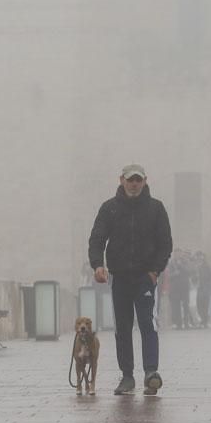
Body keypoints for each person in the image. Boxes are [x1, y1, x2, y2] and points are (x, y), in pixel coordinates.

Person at [88, 164, 173, 396]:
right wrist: (97, 265)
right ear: (121, 180)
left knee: (148, 324)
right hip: (120, 278)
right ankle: (127, 376)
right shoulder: (109, 209)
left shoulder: (156, 208)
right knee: (122, 327)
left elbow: (165, 243)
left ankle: (150, 372)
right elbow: (97, 238)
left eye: (138, 179)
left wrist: (155, 270)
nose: (134, 184)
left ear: (145, 181)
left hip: (146, 277)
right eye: (130, 180)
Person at [168, 251, 193, 330]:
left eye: (179, 254)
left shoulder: (185, 262)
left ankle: (186, 323)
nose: (177, 255)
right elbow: (168, 275)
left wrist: (180, 265)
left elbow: (189, 272)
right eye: (176, 254)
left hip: (184, 288)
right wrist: (174, 274)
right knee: (176, 306)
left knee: (186, 305)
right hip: (175, 288)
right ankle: (178, 323)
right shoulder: (171, 263)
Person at [195, 251, 211, 328]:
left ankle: (204, 321)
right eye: (198, 257)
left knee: (204, 305)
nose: (199, 258)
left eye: (201, 257)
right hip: (198, 288)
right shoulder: (196, 266)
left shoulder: (207, 266)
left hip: (205, 288)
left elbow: (209, 276)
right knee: (198, 305)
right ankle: (203, 320)